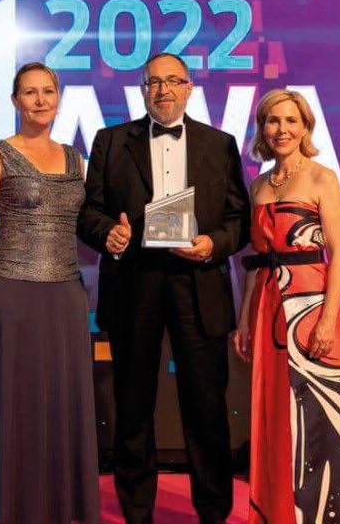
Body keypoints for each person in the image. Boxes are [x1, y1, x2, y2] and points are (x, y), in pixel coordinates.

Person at [77, 53, 250, 524]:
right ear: (142, 90)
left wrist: (213, 244)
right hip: (134, 285)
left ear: (190, 88)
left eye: (173, 81)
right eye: (154, 82)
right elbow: (89, 213)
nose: (163, 90)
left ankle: (213, 512)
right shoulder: (111, 141)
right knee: (133, 407)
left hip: (199, 285)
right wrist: (107, 234)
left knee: (207, 409)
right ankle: (136, 512)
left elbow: (240, 220)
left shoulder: (220, 143)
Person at [0, 62, 99, 524]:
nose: (40, 100)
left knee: (60, 401)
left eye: (48, 91)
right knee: (15, 402)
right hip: (9, 298)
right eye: (30, 92)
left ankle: (58, 509)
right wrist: (7, 279)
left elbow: (89, 224)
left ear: (58, 98)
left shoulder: (77, 160)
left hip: (65, 296)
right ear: (15, 101)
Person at [235, 89, 340, 523]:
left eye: (291, 120)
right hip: (267, 308)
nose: (282, 129)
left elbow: (338, 256)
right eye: (273, 121)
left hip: (312, 307)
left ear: (305, 127)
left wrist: (328, 319)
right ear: (262, 129)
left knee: (315, 420)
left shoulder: (323, 179)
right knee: (274, 417)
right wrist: (244, 319)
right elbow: (256, 259)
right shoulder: (258, 186)